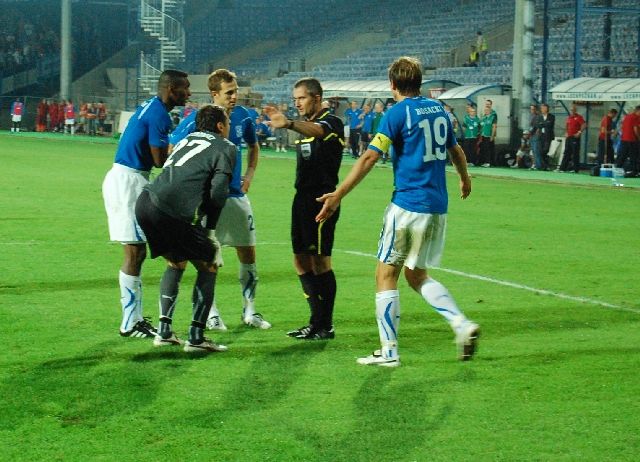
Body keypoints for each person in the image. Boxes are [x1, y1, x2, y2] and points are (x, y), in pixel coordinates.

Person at [316, 57, 479, 367]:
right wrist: (464, 178)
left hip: (407, 205)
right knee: (416, 275)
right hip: (437, 207)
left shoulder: (395, 114)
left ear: (392, 84)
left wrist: (338, 194)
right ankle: (461, 324)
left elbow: (368, 159)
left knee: (385, 274)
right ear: (419, 82)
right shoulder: (440, 111)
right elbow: (455, 150)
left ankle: (389, 352)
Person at [169, 68, 271, 331]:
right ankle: (211, 313)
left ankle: (250, 311)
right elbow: (173, 147)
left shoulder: (244, 117)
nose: (234, 96)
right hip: (208, 200)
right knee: (208, 257)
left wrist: (249, 173)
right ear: (214, 94)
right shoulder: (197, 119)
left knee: (248, 252)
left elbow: (253, 146)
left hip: (236, 196)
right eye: (229, 92)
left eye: (236, 91)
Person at [135, 104, 236, 352]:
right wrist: (210, 234)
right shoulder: (226, 147)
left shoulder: (187, 140)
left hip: (145, 202)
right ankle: (196, 337)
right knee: (209, 264)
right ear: (221, 126)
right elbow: (218, 193)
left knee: (176, 262)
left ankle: (165, 331)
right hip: (168, 210)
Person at [102, 69, 191, 338]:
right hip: (129, 182)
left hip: (127, 178)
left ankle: (133, 319)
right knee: (134, 252)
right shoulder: (159, 115)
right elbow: (158, 161)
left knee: (137, 252)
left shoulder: (150, 107)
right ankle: (130, 322)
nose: (188, 93)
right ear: (170, 89)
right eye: (184, 88)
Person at [264, 77, 344, 340]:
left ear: (317, 98)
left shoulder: (332, 122)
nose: (297, 103)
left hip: (323, 200)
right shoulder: (304, 128)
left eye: (302, 98)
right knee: (300, 260)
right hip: (301, 199)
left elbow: (319, 131)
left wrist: (288, 123)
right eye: (295, 99)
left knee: (321, 262)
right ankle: (315, 321)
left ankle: (326, 324)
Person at [558, 103, 586, 173]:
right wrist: (566, 132)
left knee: (575, 153)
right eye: (571, 110)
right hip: (569, 137)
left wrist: (579, 132)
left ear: (575, 110)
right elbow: (567, 125)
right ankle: (562, 168)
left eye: (573, 110)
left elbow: (584, 124)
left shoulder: (579, 117)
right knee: (566, 152)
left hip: (574, 137)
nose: (572, 111)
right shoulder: (569, 118)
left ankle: (575, 169)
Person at [616, 105, 640, 176]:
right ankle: (634, 171)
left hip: (624, 139)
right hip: (632, 140)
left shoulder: (627, 117)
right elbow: (635, 129)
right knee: (634, 156)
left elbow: (622, 127)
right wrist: (639, 138)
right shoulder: (636, 117)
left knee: (622, 155)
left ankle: (618, 170)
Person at [536, 103, 555, 170]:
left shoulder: (551, 116)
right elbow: (538, 125)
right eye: (541, 108)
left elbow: (550, 125)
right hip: (541, 136)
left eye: (543, 108)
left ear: (547, 109)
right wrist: (545, 123)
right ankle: (545, 166)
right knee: (540, 151)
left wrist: (543, 124)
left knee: (545, 150)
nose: (542, 109)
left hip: (548, 136)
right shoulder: (539, 117)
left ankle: (546, 165)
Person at [478, 101, 497, 167]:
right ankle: (486, 162)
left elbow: (494, 126)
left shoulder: (493, 115)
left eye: (487, 110)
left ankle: (489, 162)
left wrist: (492, 135)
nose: (486, 111)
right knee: (484, 149)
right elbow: (481, 126)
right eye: (485, 110)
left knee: (489, 149)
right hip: (483, 135)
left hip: (489, 135)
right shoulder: (483, 117)